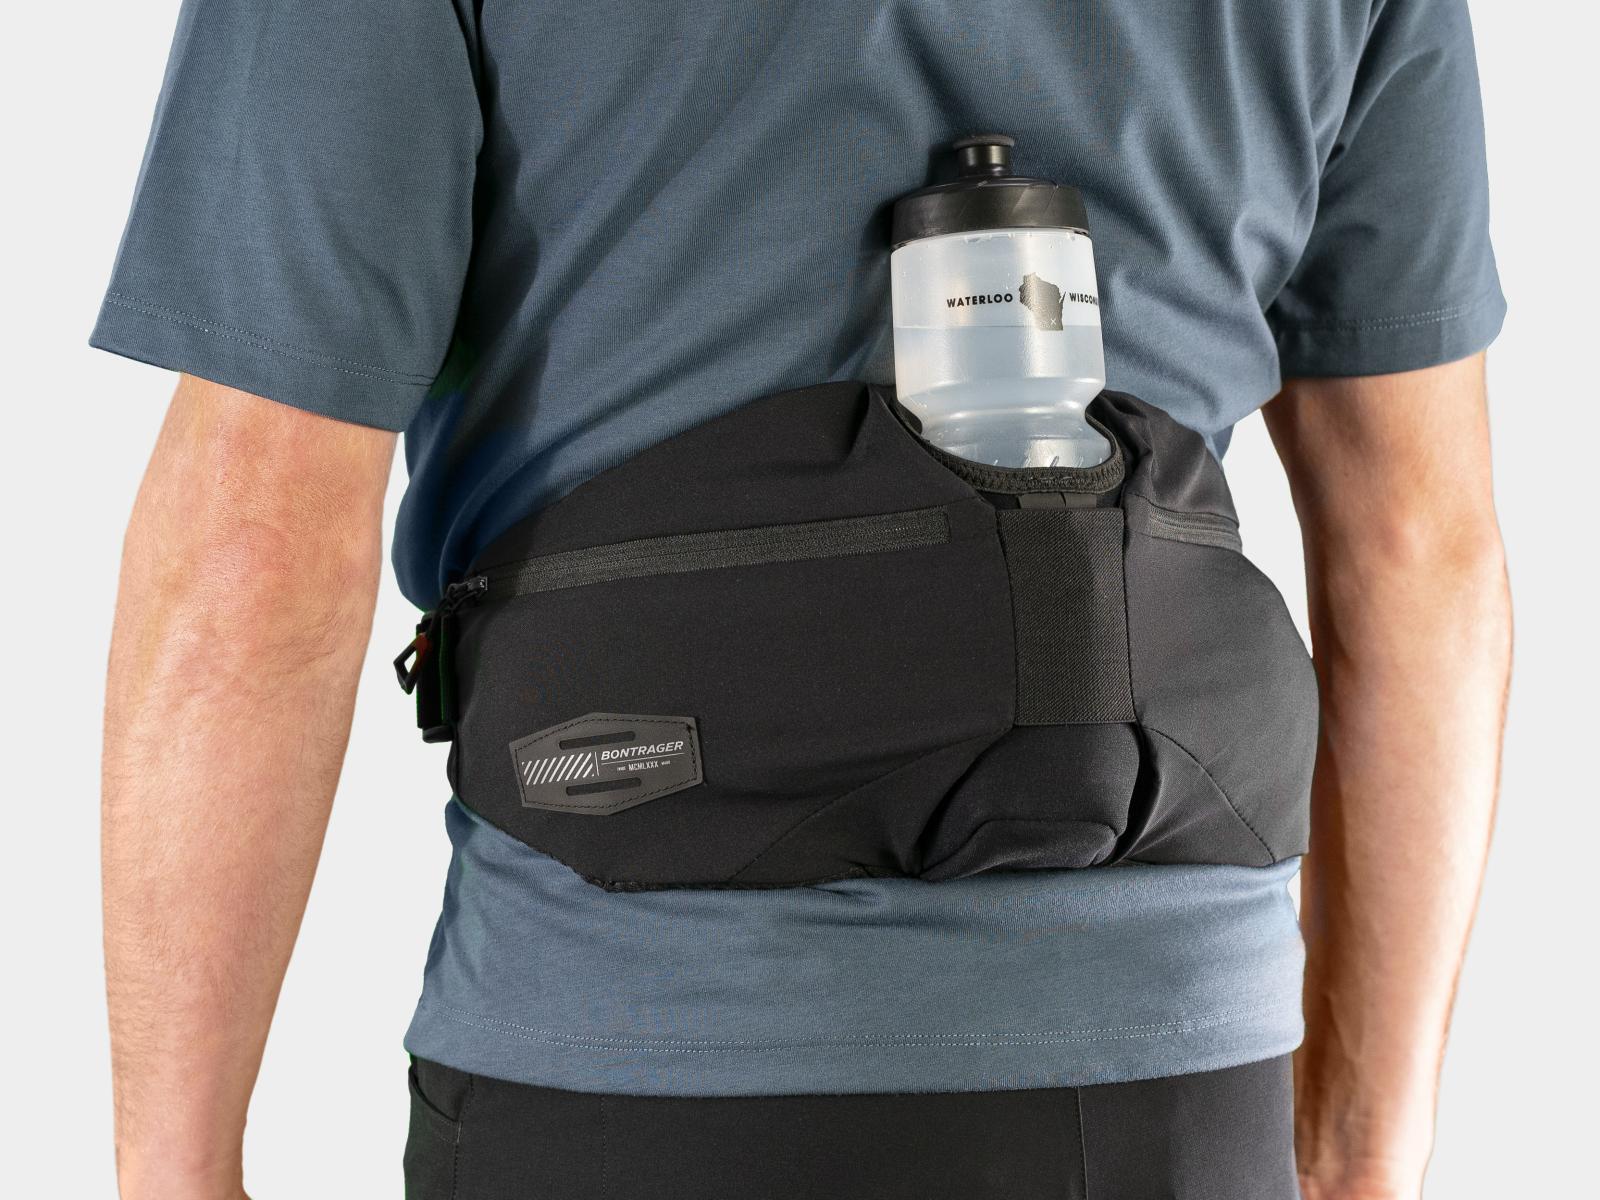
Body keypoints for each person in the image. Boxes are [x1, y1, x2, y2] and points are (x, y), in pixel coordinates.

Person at [91, 2, 1510, 1197]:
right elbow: (1417, 549)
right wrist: (1359, 1155)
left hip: (634, 1056)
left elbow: (253, 542)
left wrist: (174, 1173)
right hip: (1184, 1085)